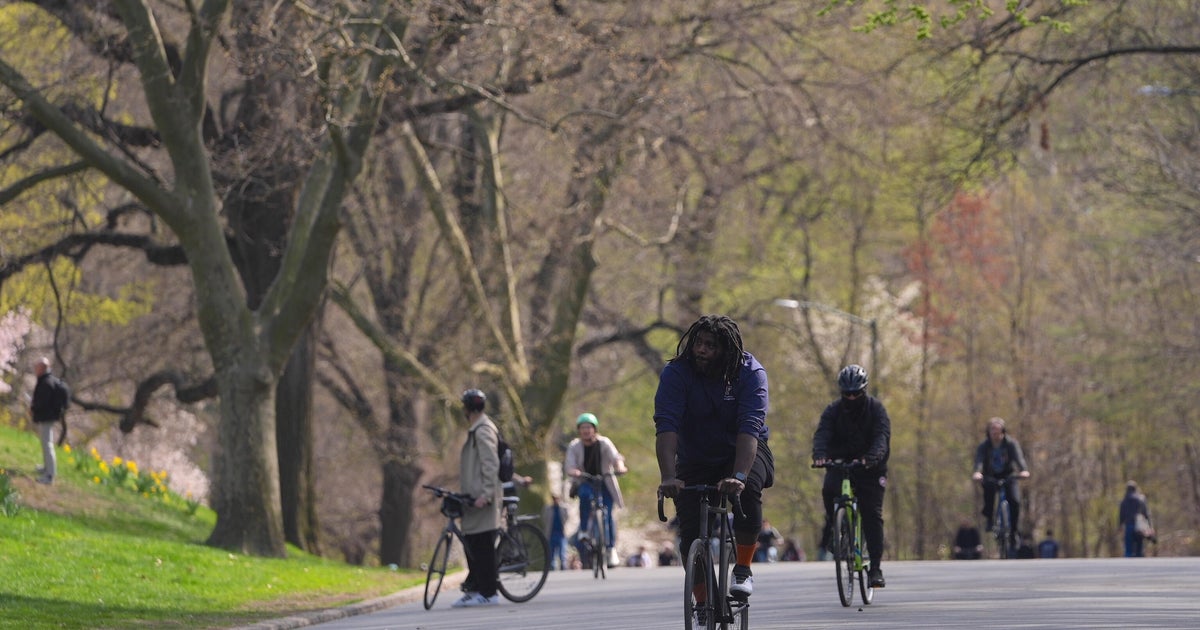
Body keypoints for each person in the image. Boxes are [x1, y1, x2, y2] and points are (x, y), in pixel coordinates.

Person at [655, 314, 774, 601]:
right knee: (690, 534)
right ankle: (703, 604)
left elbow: (749, 428)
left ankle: (743, 569)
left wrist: (740, 476)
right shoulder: (677, 373)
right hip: (696, 456)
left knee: (749, 490)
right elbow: (667, 425)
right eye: (698, 343)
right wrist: (668, 476)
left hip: (742, 451)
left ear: (727, 350)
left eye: (710, 345)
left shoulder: (750, 373)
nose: (701, 350)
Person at [813, 364, 891, 588]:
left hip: (870, 468)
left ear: (864, 390)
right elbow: (822, 434)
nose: (851, 398)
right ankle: (836, 528)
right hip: (840, 464)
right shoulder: (833, 411)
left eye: (856, 393)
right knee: (829, 490)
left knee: (872, 514)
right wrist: (820, 455)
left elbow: (881, 438)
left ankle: (875, 569)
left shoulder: (876, 409)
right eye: (846, 394)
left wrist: (871, 458)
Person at [452, 388, 502, 607]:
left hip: (482, 498)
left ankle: (489, 593)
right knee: (472, 543)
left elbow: (491, 464)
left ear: (467, 409)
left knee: (483, 547)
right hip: (473, 497)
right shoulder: (478, 429)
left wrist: (487, 494)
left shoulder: (483, 431)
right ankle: (474, 589)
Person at [564, 412, 628, 568]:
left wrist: (620, 467)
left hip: (605, 481)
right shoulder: (574, 446)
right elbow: (569, 465)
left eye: (589, 427)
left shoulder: (604, 443)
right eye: (583, 428)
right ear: (579, 430)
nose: (586, 430)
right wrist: (574, 471)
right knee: (584, 496)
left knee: (608, 514)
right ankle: (584, 530)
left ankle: (610, 549)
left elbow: (616, 457)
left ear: (594, 429)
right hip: (586, 480)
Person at [971, 416, 1030, 548]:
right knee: (988, 493)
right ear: (989, 432)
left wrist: (1023, 470)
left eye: (997, 431)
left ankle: (1013, 532)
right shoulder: (984, 446)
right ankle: (990, 519)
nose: (995, 434)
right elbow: (979, 460)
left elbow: (1019, 458)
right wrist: (977, 472)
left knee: (1015, 501)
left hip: (1009, 476)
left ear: (1003, 431)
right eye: (992, 431)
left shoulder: (1011, 444)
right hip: (990, 476)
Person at [29, 357, 68, 485]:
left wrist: (33, 409)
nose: (35, 369)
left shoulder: (46, 382)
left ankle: (50, 475)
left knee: (47, 445)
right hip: (48, 416)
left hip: (47, 417)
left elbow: (42, 402)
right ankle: (46, 468)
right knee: (46, 443)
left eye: (37, 367)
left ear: (42, 368)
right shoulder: (48, 380)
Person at [1118, 481, 1153, 557]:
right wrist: (1150, 527)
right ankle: (1139, 560)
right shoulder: (1141, 499)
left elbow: (1121, 515)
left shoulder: (1124, 501)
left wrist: (1120, 526)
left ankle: (1128, 561)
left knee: (1128, 549)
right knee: (1139, 549)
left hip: (1129, 526)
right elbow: (1146, 514)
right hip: (1139, 527)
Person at [542, 494, 569, 570]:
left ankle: (563, 568)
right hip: (551, 534)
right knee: (551, 554)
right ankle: (552, 569)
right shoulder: (548, 508)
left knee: (562, 554)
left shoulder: (564, 508)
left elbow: (566, 518)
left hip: (561, 534)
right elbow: (544, 519)